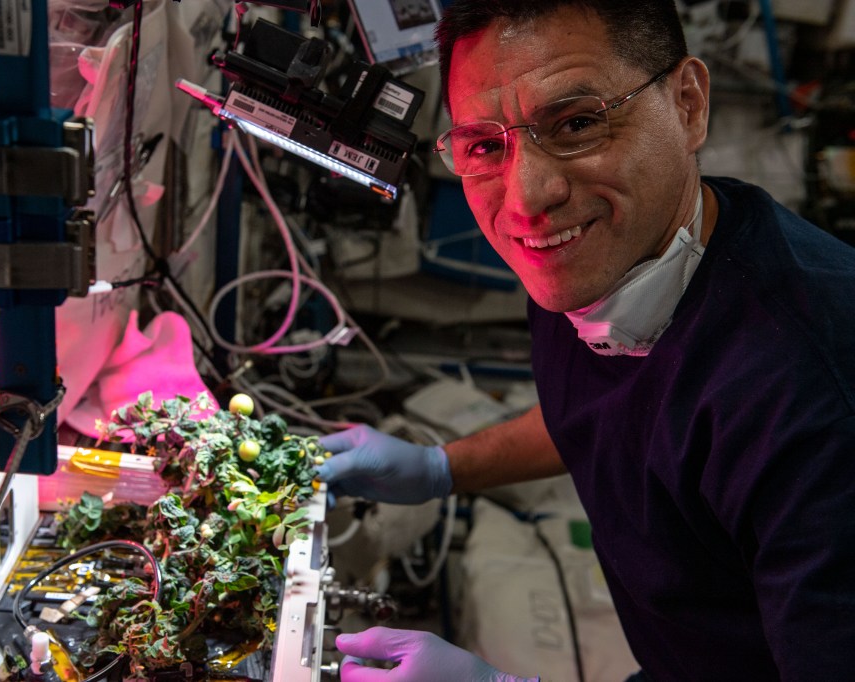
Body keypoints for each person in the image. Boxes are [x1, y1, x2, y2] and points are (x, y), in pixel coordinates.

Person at [316, 0, 855, 679]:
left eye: (576, 124)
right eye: (485, 146)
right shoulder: (615, 252)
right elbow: (615, 409)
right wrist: (440, 469)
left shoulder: (818, 403)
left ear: (688, 104)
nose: (527, 197)